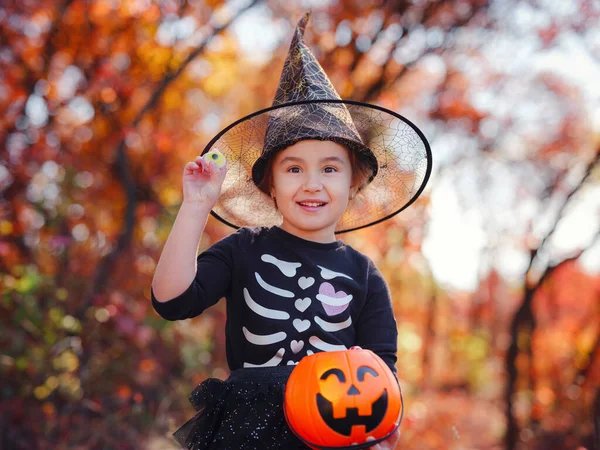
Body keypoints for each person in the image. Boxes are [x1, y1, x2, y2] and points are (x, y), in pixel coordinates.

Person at [151, 12, 431, 450]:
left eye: (331, 168)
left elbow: (383, 370)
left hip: (335, 427)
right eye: (294, 168)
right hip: (246, 430)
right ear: (270, 184)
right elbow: (171, 300)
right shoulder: (242, 249)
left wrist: (381, 438)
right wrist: (195, 208)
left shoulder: (365, 274)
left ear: (354, 182)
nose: (312, 183)